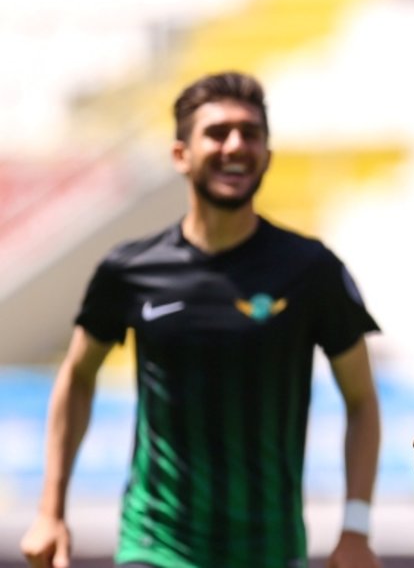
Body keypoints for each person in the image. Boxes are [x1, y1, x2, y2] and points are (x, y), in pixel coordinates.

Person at [19, 72, 382, 568]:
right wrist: (50, 512)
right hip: (156, 545)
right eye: (217, 133)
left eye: (250, 133)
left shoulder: (311, 269)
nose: (235, 145)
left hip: (270, 550)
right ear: (180, 155)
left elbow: (361, 399)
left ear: (267, 155)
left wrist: (356, 528)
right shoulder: (130, 269)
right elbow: (78, 376)